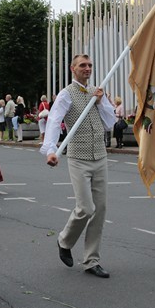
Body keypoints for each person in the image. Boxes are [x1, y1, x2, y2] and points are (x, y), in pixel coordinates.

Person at [42, 54, 116, 278]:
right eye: (82, 65)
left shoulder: (97, 92)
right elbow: (54, 120)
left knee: (100, 210)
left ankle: (91, 260)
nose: (87, 68)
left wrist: (102, 102)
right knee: (86, 208)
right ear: (72, 68)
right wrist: (51, 150)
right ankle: (64, 240)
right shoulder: (67, 94)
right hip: (78, 157)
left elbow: (110, 122)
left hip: (100, 157)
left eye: (90, 65)